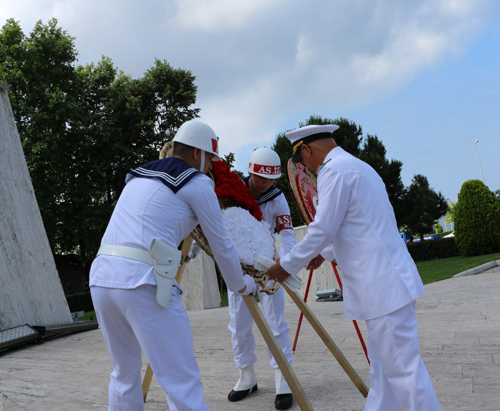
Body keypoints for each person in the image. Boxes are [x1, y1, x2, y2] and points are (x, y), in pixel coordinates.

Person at [266, 124, 441, 411]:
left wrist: (286, 265)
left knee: (406, 374)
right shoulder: (358, 166)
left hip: (381, 288)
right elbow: (360, 225)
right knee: (383, 375)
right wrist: (325, 253)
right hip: (385, 286)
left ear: (306, 150)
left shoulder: (333, 171)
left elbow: (323, 228)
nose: (305, 168)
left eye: (301, 161)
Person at [89, 119, 256, 411]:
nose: (211, 167)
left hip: (102, 277)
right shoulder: (197, 182)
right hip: (144, 282)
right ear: (197, 154)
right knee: (181, 383)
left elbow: (158, 226)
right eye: (210, 160)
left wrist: (186, 255)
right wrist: (240, 285)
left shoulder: (139, 176)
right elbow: (221, 243)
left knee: (123, 377)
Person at [226, 147, 296, 410]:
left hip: (269, 267)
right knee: (238, 324)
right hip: (238, 267)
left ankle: (283, 380)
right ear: (251, 172)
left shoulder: (277, 198)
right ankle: (246, 376)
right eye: (260, 178)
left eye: (270, 179)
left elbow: (287, 232)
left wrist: (286, 264)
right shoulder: (233, 192)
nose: (265, 184)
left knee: (276, 323)